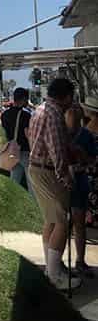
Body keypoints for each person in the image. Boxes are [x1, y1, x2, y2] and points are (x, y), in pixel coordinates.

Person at [28, 78, 81, 290]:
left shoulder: (41, 109)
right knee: (62, 221)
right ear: (66, 96)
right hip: (47, 170)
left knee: (51, 220)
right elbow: (57, 151)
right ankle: (55, 275)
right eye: (72, 98)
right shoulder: (54, 114)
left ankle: (51, 268)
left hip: (37, 167)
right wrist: (65, 177)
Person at [66, 105, 97, 277]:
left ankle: (80, 260)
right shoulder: (60, 132)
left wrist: (82, 155)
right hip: (62, 182)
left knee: (79, 224)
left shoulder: (86, 136)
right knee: (61, 224)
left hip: (79, 181)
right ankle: (58, 264)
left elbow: (92, 160)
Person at [1, 87, 32, 194]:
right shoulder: (26, 115)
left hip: (12, 151)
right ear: (23, 99)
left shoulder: (4, 115)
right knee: (31, 183)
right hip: (25, 150)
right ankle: (35, 206)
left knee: (14, 180)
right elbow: (29, 134)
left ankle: (13, 201)